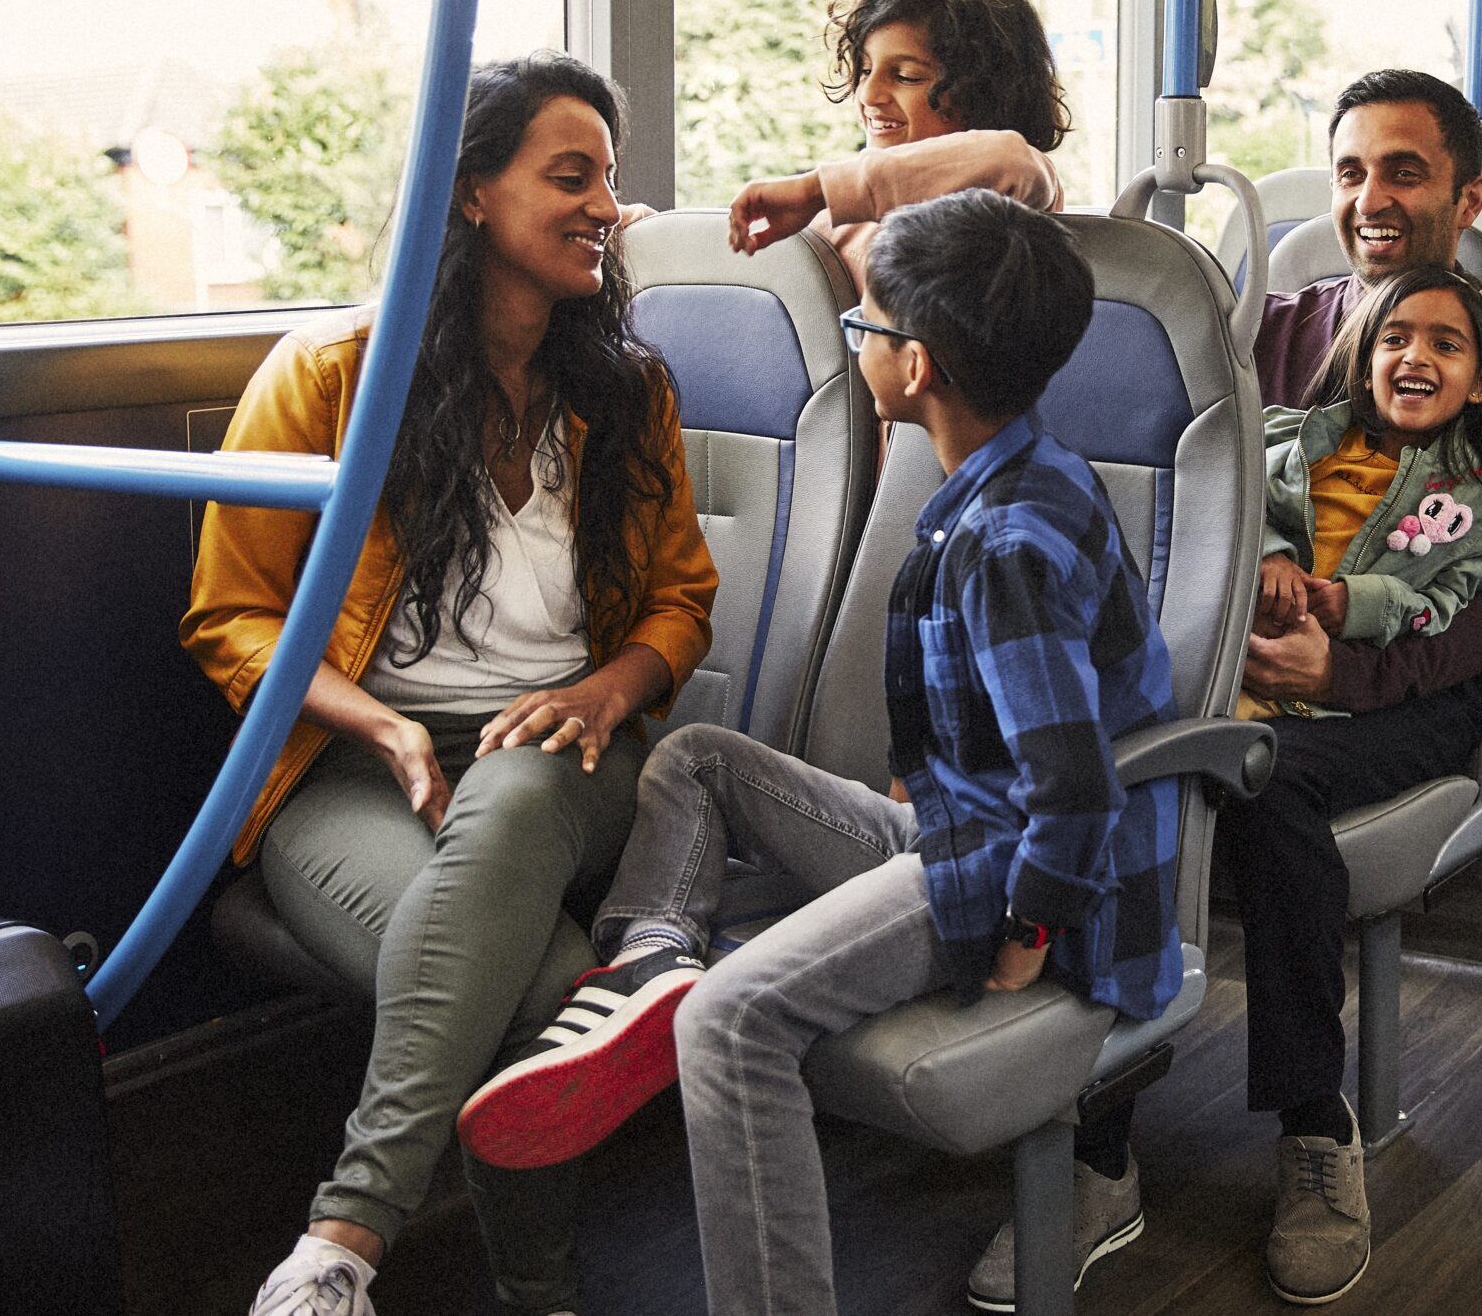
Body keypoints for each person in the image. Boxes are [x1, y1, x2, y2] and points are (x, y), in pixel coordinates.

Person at [449, 189, 1184, 1316]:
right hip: (955, 834)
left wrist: (1028, 937)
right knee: (698, 757)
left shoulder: (1004, 543)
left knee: (735, 1020)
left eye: (868, 327)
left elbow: (1075, 788)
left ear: (917, 364)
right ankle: (649, 961)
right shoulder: (1013, 475)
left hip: (1001, 878)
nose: (859, 344)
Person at [962, 70, 1482, 1311]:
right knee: (1115, 768)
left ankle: (1311, 1125)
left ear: (1470, 195)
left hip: (1411, 690)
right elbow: (1210, 510)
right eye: (1350, 172)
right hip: (1247, 665)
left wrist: (1345, 667)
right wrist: (1261, 580)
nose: (1371, 199)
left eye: (1404, 171)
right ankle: (1096, 1146)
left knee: (1266, 788)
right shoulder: (1270, 331)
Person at [182, 54, 719, 1316]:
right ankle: (544, 1294)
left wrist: (603, 695)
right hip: (354, 766)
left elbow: (680, 601)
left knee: (523, 784)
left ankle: (342, 1241)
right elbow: (231, 614)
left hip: (572, 754)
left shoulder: (629, 392)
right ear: (472, 190)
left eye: (609, 180)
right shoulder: (328, 379)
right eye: (567, 175)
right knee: (541, 991)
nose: (604, 206)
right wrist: (379, 726)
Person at [1242, 265, 1482, 718]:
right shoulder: (1291, 436)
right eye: (1394, 340)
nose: (1414, 357)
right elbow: (1227, 507)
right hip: (1233, 649)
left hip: (1326, 700)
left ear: (1479, 385)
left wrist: (1364, 604)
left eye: (1445, 346)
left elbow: (1444, 605)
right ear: (1368, 371)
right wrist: (1269, 554)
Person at [724, 0, 1068, 288]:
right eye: (865, 71)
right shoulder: (832, 218)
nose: (869, 94)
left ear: (987, 93)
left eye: (906, 77)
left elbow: (1009, 158)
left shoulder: (1011, 200)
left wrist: (814, 190)